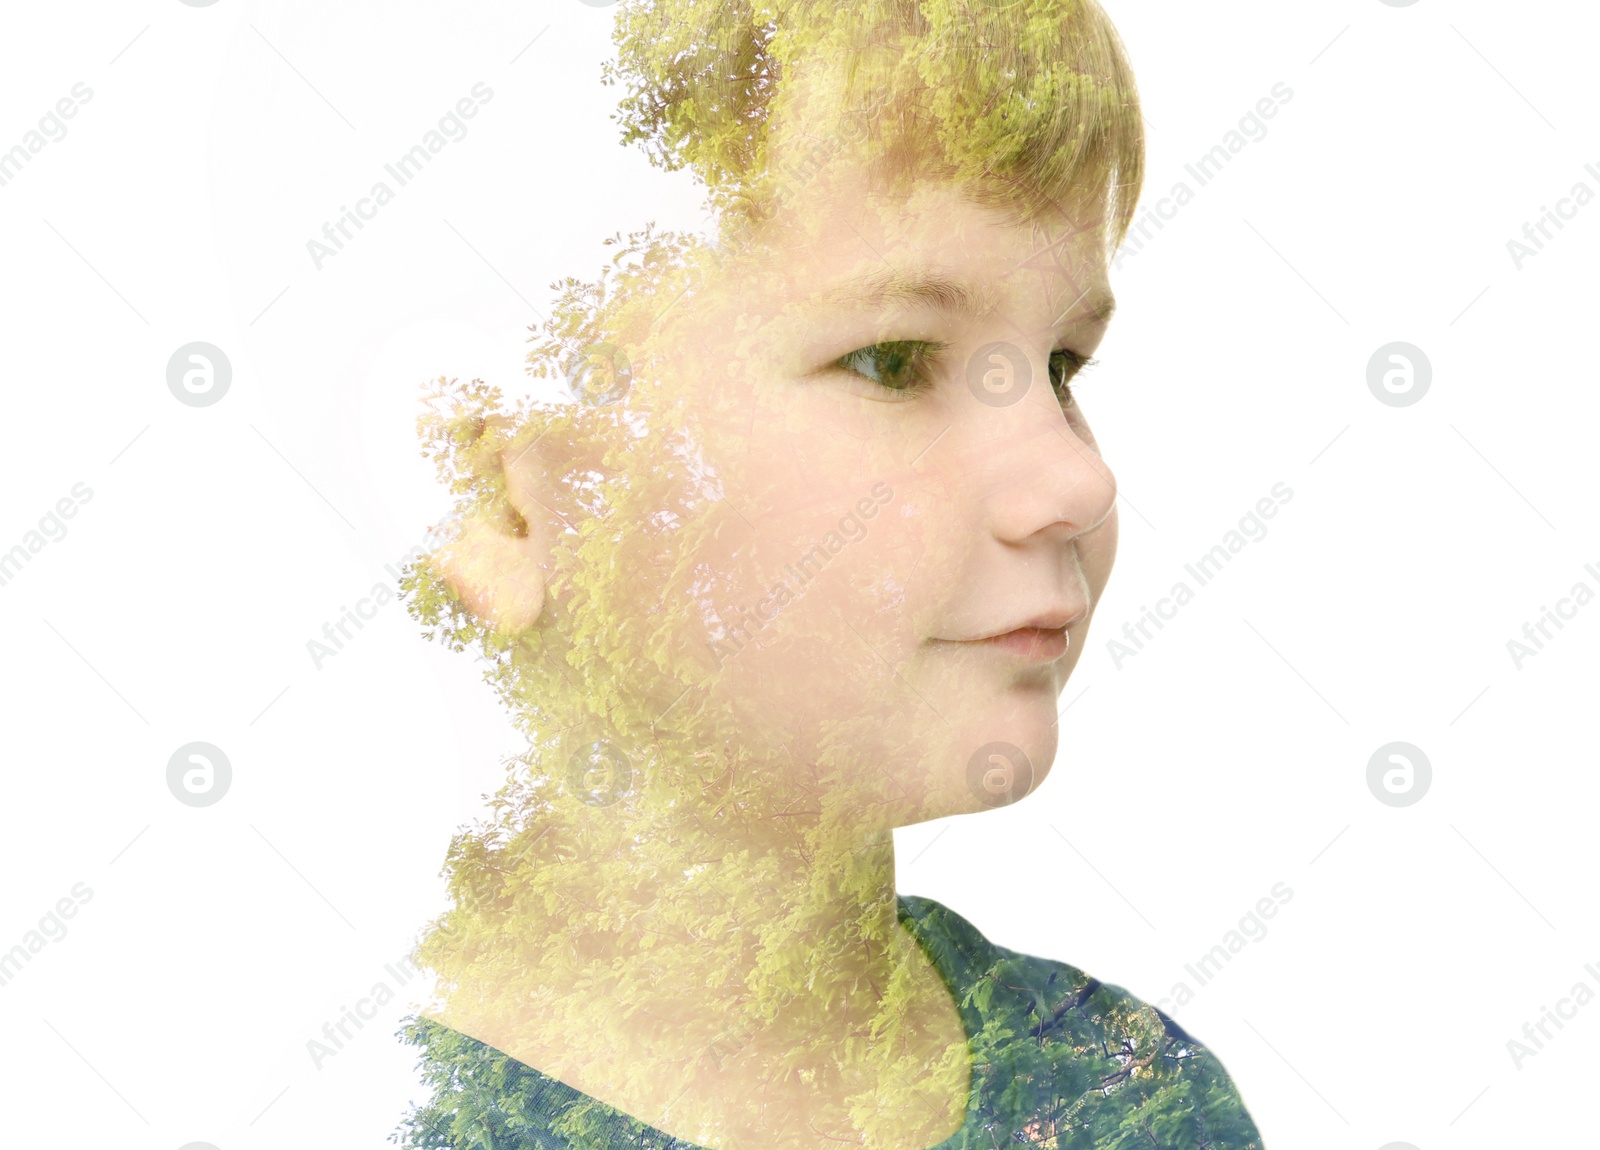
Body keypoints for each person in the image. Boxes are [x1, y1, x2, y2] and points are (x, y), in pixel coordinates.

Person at [393, 0, 1265, 1145]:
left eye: (1061, 366)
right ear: (504, 503)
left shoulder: (1130, 1099)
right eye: (893, 360)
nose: (1073, 479)